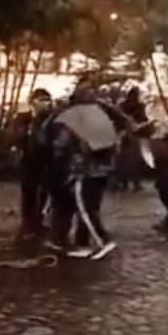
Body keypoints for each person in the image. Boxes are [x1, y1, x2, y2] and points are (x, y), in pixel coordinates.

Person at [45, 83, 120, 259]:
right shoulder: (101, 116)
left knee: (85, 209)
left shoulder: (72, 118)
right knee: (86, 207)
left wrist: (58, 148)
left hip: (83, 172)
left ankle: (103, 241)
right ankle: (81, 243)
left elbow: (60, 143)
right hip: (101, 171)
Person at [15, 88, 54, 240]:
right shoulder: (25, 118)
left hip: (46, 159)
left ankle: (38, 220)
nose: (44, 103)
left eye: (46, 99)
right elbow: (16, 136)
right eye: (40, 100)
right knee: (29, 192)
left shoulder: (51, 118)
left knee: (44, 191)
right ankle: (28, 222)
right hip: (29, 159)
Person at [118, 86, 149, 191]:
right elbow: (143, 119)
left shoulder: (122, 105)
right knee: (134, 161)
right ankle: (135, 184)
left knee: (124, 160)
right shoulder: (140, 106)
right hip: (134, 134)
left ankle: (124, 183)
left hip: (123, 134)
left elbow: (117, 118)